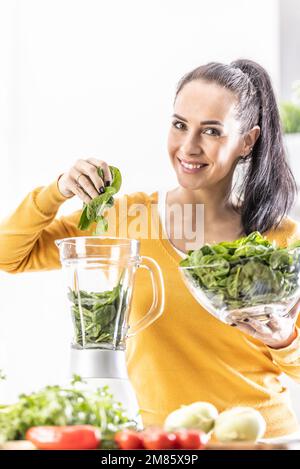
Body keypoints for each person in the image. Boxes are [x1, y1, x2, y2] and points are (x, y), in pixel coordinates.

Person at [1, 59, 300, 440]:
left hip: (260, 441)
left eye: (211, 131)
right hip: (158, 441)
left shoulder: (281, 241)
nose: (188, 147)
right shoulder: (127, 219)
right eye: (180, 125)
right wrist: (57, 190)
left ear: (248, 141)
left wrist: (285, 340)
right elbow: (10, 255)